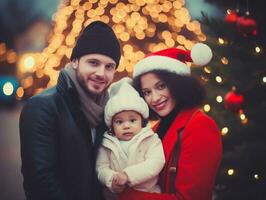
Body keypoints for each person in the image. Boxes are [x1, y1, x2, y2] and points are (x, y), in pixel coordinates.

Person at [19, 21, 121, 200]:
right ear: (75, 61)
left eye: (109, 66)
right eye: (93, 63)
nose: (101, 73)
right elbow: (40, 183)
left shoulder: (110, 110)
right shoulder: (42, 107)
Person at [118, 43, 223, 200]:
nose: (154, 98)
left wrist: (126, 196)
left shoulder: (200, 126)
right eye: (147, 92)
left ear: (177, 85)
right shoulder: (156, 128)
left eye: (161, 86)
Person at [96, 79, 165, 199]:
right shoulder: (107, 143)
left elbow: (156, 162)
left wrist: (128, 175)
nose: (126, 126)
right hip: (116, 196)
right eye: (119, 122)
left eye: (132, 120)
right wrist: (112, 179)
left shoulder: (150, 139)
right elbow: (101, 167)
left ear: (141, 121)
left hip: (147, 194)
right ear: (112, 125)